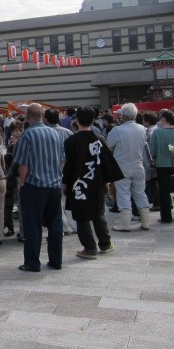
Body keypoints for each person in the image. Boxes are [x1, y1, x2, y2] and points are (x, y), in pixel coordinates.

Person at [62, 106, 123, 260]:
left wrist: (65, 184)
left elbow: (69, 166)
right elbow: (106, 164)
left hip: (78, 183)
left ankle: (89, 248)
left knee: (81, 217)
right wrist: (107, 182)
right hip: (97, 182)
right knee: (98, 213)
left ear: (77, 120)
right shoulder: (99, 139)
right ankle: (105, 243)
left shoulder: (71, 141)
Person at [13, 103, 64, 272]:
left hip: (34, 185)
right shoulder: (56, 134)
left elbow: (23, 165)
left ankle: (32, 262)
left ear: (27, 116)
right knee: (55, 225)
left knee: (33, 225)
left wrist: (23, 182)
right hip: (54, 184)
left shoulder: (28, 135)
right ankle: (56, 260)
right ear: (42, 115)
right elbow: (62, 161)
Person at [107, 103, 151, 231]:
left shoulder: (118, 130)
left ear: (123, 116)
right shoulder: (142, 129)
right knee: (140, 193)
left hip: (122, 165)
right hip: (138, 164)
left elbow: (109, 144)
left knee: (123, 193)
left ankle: (125, 224)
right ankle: (145, 222)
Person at [44, 108, 77, 236]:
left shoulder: (46, 133)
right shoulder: (68, 132)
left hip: (52, 170)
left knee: (58, 201)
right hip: (69, 169)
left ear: (46, 118)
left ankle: (65, 226)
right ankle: (73, 224)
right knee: (69, 199)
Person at [148, 109, 174, 224]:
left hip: (162, 164)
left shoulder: (157, 132)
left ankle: (166, 217)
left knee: (164, 191)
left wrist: (154, 158)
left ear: (164, 118)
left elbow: (152, 150)